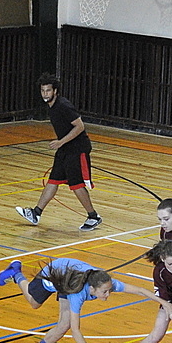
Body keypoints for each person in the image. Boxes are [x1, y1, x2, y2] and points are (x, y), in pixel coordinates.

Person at [0, 257, 172, 343]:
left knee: (63, 324)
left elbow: (139, 290)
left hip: (71, 277)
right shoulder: (77, 295)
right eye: (104, 292)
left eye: (109, 290)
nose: (108, 294)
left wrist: (164, 302)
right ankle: (16, 273)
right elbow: (76, 331)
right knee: (34, 302)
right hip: (55, 274)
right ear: (92, 289)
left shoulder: (105, 282)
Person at [15, 73, 102, 232]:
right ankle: (36, 213)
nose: (45, 94)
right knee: (53, 180)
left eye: (48, 90)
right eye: (43, 91)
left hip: (77, 149)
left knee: (76, 184)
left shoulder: (63, 105)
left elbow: (80, 126)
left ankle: (93, 216)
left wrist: (61, 142)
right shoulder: (52, 107)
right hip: (65, 149)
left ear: (55, 91)